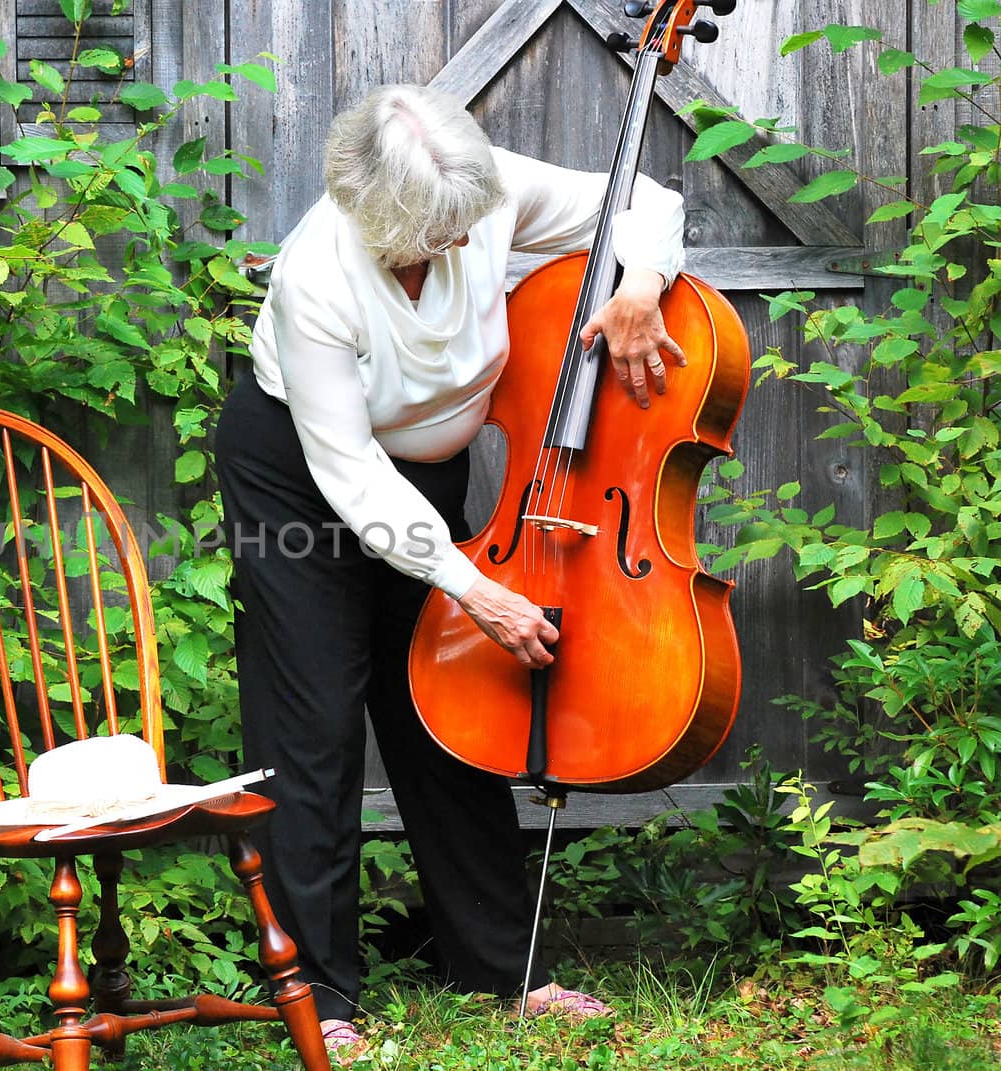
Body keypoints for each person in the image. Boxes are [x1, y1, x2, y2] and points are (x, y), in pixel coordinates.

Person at [214, 83, 686, 1056]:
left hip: (424, 472)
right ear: (368, 211)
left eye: (459, 228)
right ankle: (316, 995)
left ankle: (502, 970)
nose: (450, 247)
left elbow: (650, 202)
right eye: (426, 236)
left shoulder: (486, 192)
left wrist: (637, 283)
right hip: (301, 482)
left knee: (448, 706)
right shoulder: (316, 276)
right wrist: (476, 590)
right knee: (311, 729)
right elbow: (349, 477)